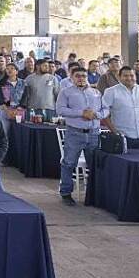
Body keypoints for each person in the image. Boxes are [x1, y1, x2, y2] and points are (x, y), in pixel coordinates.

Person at [55, 67, 108, 204]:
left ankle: (93, 194)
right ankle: (66, 193)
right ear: (72, 77)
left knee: (94, 165)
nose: (81, 78)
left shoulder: (96, 92)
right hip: (75, 133)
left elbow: (106, 109)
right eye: (77, 76)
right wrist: (81, 113)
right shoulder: (65, 92)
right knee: (68, 163)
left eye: (84, 76)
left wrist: (96, 115)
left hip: (93, 134)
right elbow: (60, 110)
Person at [103, 66, 139, 152]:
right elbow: (103, 113)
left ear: (135, 76)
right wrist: (114, 131)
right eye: (125, 76)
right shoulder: (111, 92)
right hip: (122, 137)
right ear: (119, 77)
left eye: (132, 75)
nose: (129, 78)